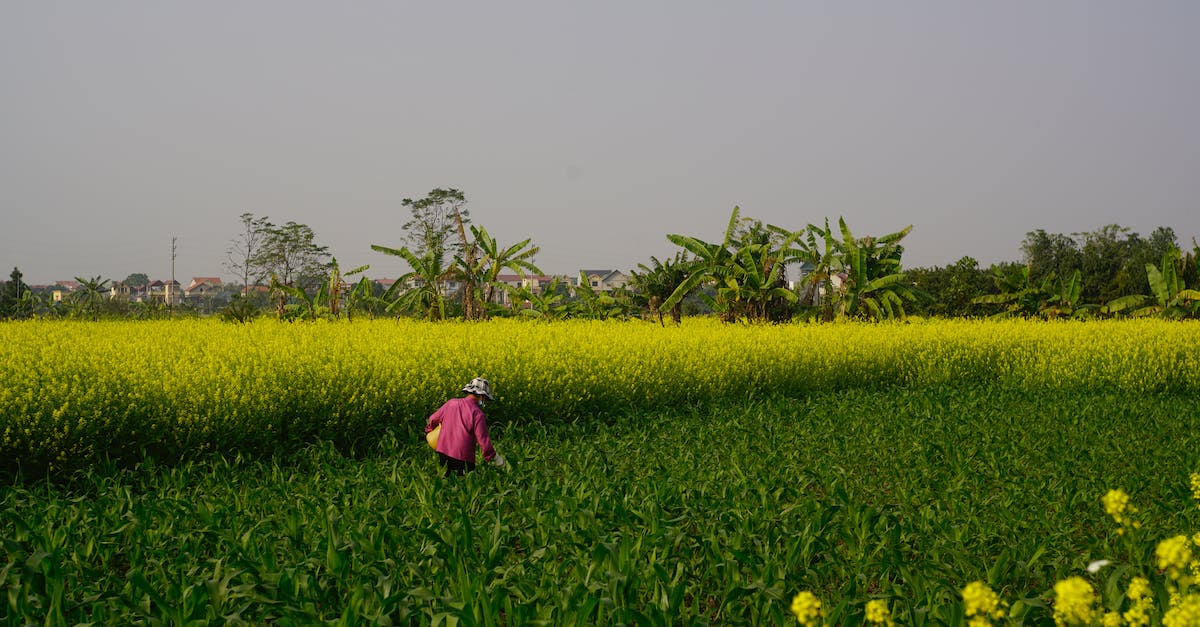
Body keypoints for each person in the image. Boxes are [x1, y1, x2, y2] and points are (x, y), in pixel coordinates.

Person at [425, 377, 505, 476]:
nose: (485, 402)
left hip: (443, 451)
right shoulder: (477, 413)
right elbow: (483, 440)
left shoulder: (451, 403)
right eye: (486, 399)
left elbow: (432, 419)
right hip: (463, 457)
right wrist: (495, 457)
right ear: (482, 396)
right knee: (463, 486)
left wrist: (429, 431)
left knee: (445, 482)